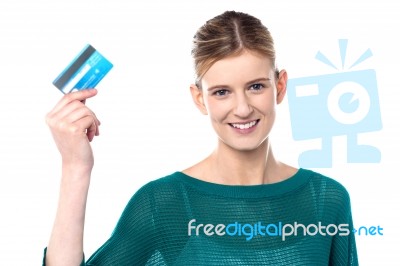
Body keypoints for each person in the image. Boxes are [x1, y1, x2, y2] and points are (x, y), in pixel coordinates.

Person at [43, 11, 358, 265]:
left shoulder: (327, 199)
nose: (243, 108)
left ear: (280, 86)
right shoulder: (164, 204)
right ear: (199, 98)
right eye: (222, 92)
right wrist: (75, 167)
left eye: (256, 86)